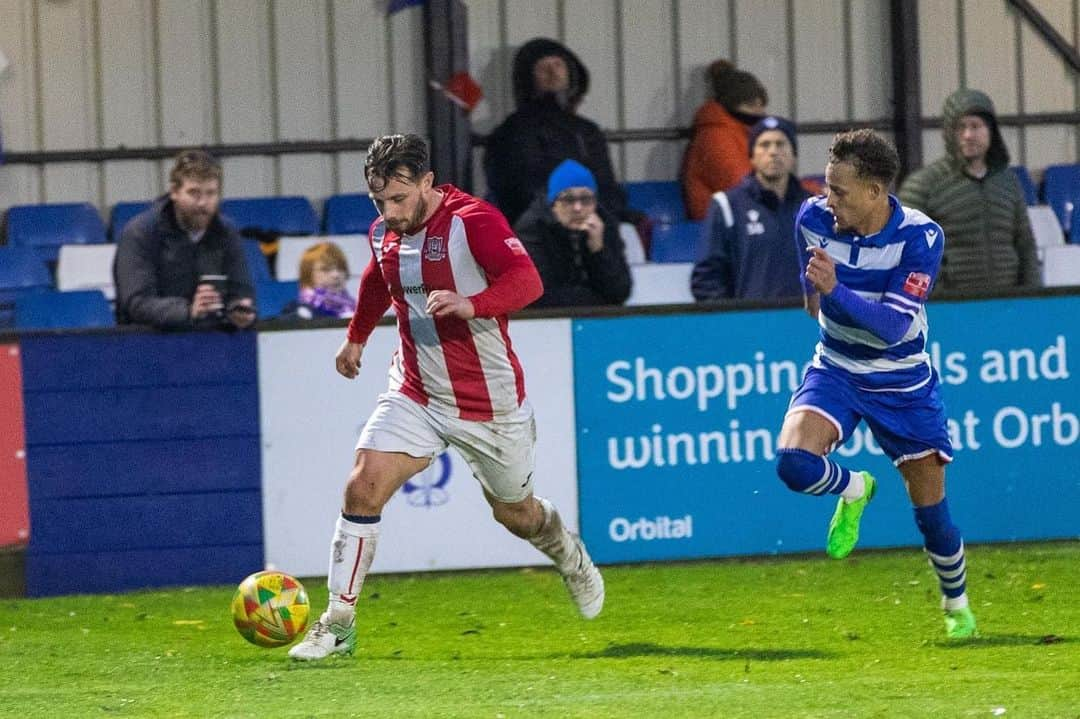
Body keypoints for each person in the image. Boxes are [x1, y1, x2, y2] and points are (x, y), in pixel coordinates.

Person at [288, 134, 605, 661]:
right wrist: (357, 336)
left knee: (517, 515)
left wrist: (472, 303)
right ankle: (337, 625)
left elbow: (528, 282)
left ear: (428, 183)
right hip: (416, 391)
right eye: (378, 202)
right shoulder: (384, 233)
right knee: (363, 486)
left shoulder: (472, 221)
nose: (389, 213)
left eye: (398, 199)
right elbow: (376, 279)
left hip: (490, 403)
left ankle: (568, 553)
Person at [776, 129, 977, 640]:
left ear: (875, 191)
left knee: (932, 515)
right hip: (837, 368)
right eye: (827, 187)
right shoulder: (813, 218)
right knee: (793, 465)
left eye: (839, 191)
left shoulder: (921, 238)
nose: (829, 200)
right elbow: (812, 290)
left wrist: (833, 289)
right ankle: (856, 487)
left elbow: (890, 327)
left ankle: (956, 605)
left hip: (901, 379)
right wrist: (816, 293)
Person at [898, 88, 1038, 292]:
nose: (968, 135)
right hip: (952, 307)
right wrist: (938, 296)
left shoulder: (1009, 183)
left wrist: (1033, 296)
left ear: (991, 130)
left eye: (976, 126)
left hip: (1009, 304)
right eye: (960, 127)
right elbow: (908, 252)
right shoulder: (922, 186)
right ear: (949, 133)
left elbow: (1025, 245)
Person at [483, 37, 625, 227]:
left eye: (558, 65)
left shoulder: (587, 131)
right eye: (543, 67)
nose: (552, 73)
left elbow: (607, 186)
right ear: (529, 78)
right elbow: (519, 190)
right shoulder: (512, 131)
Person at [113, 149, 255, 330]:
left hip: (213, 344)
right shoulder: (140, 233)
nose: (203, 203)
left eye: (211, 193)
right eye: (194, 193)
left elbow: (242, 290)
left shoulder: (227, 232)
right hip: (149, 345)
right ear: (174, 191)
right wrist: (188, 311)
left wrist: (240, 310)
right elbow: (136, 303)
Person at [691, 116, 811, 301]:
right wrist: (734, 320)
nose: (773, 152)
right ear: (752, 156)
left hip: (805, 323)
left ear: (793, 155)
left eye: (780, 144)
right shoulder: (727, 206)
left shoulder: (813, 207)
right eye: (764, 145)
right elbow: (707, 278)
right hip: (751, 324)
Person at [515, 159, 632, 308]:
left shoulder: (604, 224)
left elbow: (620, 292)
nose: (577, 208)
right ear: (553, 204)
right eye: (568, 200)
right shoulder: (531, 229)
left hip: (593, 318)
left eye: (586, 199)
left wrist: (598, 249)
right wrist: (597, 299)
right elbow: (538, 295)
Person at [681, 59, 768, 221]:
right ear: (730, 105)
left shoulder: (750, 133)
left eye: (761, 104)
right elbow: (741, 187)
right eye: (750, 105)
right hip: (723, 225)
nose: (759, 111)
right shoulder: (714, 137)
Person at [294, 241, 356, 319]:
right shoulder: (302, 312)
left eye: (341, 268)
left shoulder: (353, 306)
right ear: (308, 274)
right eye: (325, 269)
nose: (336, 275)